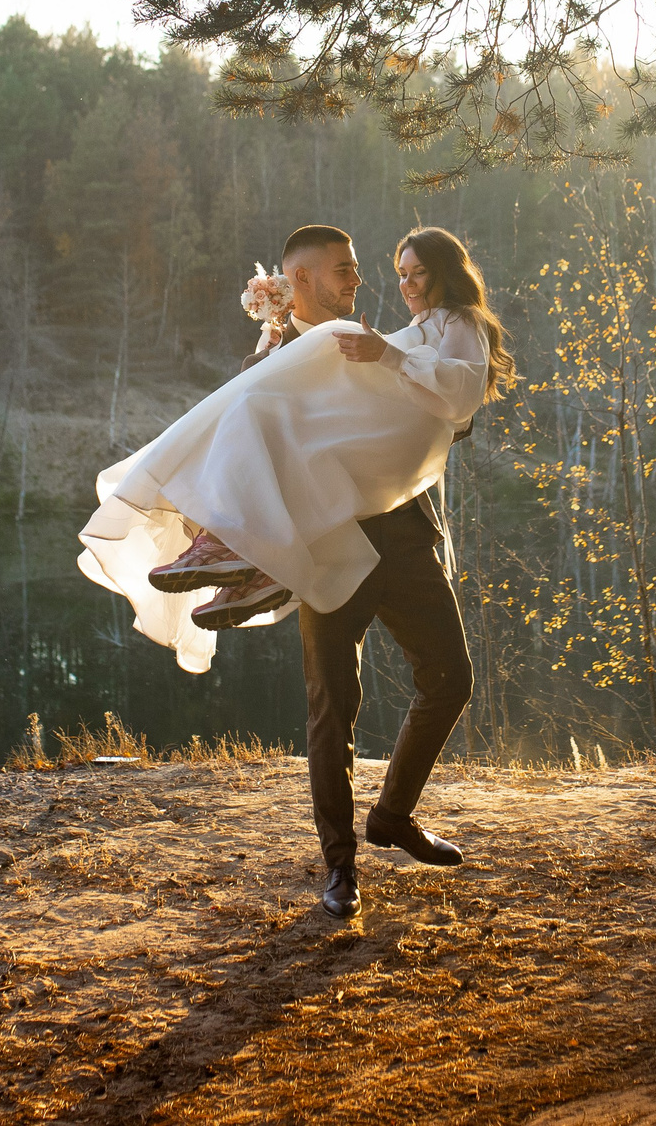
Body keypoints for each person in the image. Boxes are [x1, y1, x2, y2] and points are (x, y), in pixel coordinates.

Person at [75, 225, 514, 917]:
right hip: (326, 536)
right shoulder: (288, 351)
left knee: (450, 676)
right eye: (348, 272)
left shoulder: (397, 338)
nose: (372, 283)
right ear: (298, 282)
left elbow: (447, 415)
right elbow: (244, 427)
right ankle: (340, 868)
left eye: (400, 273)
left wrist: (388, 364)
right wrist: (280, 343)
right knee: (330, 704)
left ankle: (393, 814)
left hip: (398, 534)